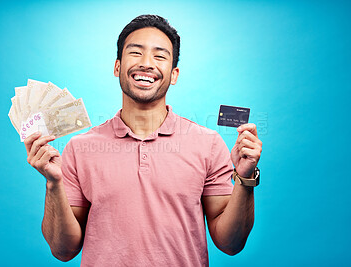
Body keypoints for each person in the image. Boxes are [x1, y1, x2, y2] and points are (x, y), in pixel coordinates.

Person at [24, 14, 263, 266]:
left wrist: (245, 179)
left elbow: (231, 244)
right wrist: (53, 183)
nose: (147, 63)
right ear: (117, 67)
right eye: (136, 53)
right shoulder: (79, 148)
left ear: (174, 74)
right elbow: (63, 250)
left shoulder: (209, 144)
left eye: (160, 56)